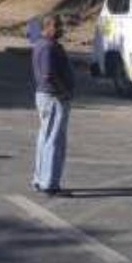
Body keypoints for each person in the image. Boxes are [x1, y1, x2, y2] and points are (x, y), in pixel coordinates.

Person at [32, 14, 74, 197]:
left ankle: (40, 179)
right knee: (54, 141)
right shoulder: (48, 47)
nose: (61, 29)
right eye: (57, 26)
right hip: (53, 96)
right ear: (48, 27)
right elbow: (49, 75)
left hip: (47, 95)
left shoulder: (43, 44)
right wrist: (63, 91)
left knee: (46, 138)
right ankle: (49, 184)